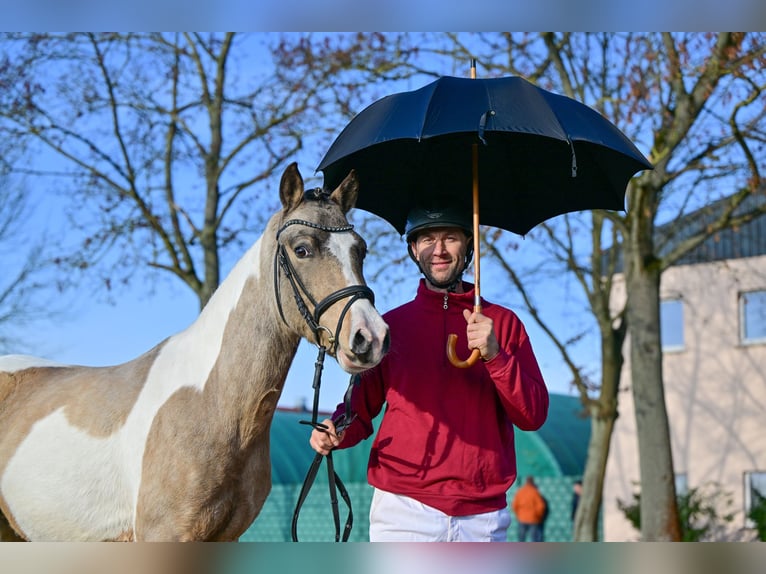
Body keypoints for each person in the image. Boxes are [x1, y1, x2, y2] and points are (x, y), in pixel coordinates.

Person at [309, 204, 549, 542]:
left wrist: (495, 355)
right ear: (412, 249)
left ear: (469, 247)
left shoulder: (503, 325)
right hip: (403, 511)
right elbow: (359, 412)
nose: (438, 249)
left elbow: (532, 416)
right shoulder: (390, 326)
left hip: (483, 516)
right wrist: (335, 430)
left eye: (450, 238)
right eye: (426, 239)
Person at [511, 476, 547, 542]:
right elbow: (541, 506)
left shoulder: (520, 491)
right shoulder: (535, 492)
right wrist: (538, 517)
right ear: (533, 482)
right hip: (533, 519)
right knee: (534, 539)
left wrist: (519, 515)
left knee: (521, 539)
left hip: (522, 518)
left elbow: (514, 505)